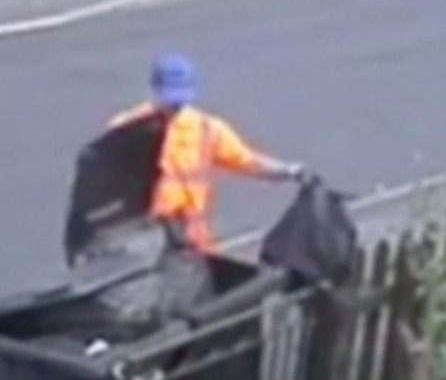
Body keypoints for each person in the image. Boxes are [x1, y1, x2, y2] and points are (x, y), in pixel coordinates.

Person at [108, 53, 307, 254]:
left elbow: (246, 161)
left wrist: (287, 171)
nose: (174, 106)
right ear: (154, 90)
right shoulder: (128, 130)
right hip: (151, 241)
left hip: (194, 238)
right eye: (169, 97)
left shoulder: (207, 129)